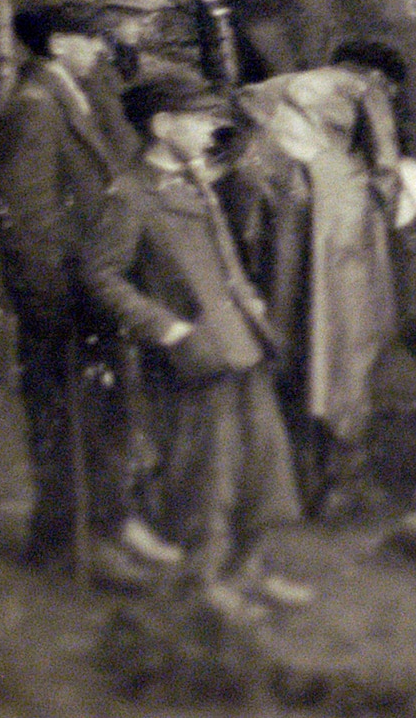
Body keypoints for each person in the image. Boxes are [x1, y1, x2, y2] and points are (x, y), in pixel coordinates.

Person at [80, 69, 310, 624]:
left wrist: (252, 304)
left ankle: (248, 569)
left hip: (240, 345)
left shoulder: (195, 182)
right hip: (194, 356)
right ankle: (200, 587)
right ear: (161, 126)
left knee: (261, 464)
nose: (211, 129)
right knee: (205, 474)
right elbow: (101, 276)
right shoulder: (130, 195)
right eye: (199, 118)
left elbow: (225, 260)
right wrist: (168, 330)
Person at [0, 0, 180, 587]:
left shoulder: (65, 93)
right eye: (91, 36)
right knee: (68, 415)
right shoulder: (35, 104)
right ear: (58, 41)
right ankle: (74, 545)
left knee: (103, 409)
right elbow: (28, 217)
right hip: (58, 296)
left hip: (82, 287)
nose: (102, 47)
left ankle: (109, 525)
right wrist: (59, 303)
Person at [228, 42, 405, 517]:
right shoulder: (368, 88)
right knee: (348, 338)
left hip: (273, 213)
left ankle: (286, 479)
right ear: (382, 76)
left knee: (287, 333)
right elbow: (387, 166)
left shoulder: (270, 91)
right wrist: (384, 219)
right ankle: (340, 482)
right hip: (335, 215)